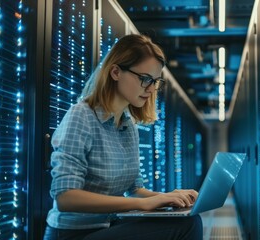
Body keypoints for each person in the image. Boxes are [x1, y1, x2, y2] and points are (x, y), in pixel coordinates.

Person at [43, 34, 202, 240]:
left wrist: (170, 197)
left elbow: (134, 190)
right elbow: (65, 197)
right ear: (116, 72)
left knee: (187, 218)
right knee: (187, 226)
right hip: (72, 233)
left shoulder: (128, 124)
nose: (152, 89)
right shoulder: (81, 116)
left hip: (110, 225)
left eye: (156, 81)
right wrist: (143, 204)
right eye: (145, 79)